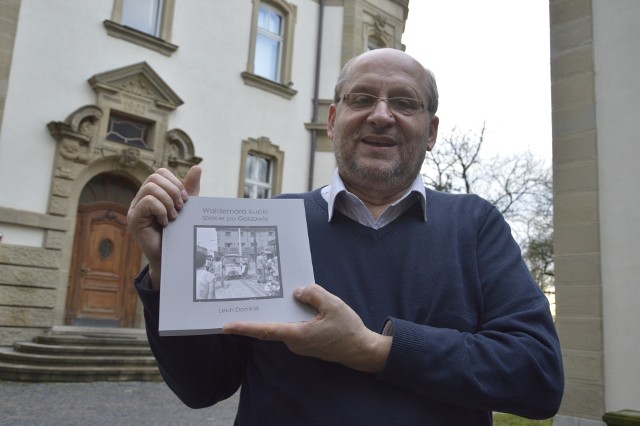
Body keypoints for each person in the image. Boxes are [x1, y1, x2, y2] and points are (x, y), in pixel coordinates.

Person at [127, 48, 563, 424]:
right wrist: (170, 272)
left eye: (405, 103)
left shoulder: (475, 225)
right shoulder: (272, 221)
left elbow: (537, 376)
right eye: (362, 99)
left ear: (431, 132)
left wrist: (371, 350)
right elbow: (202, 387)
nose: (380, 114)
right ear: (333, 120)